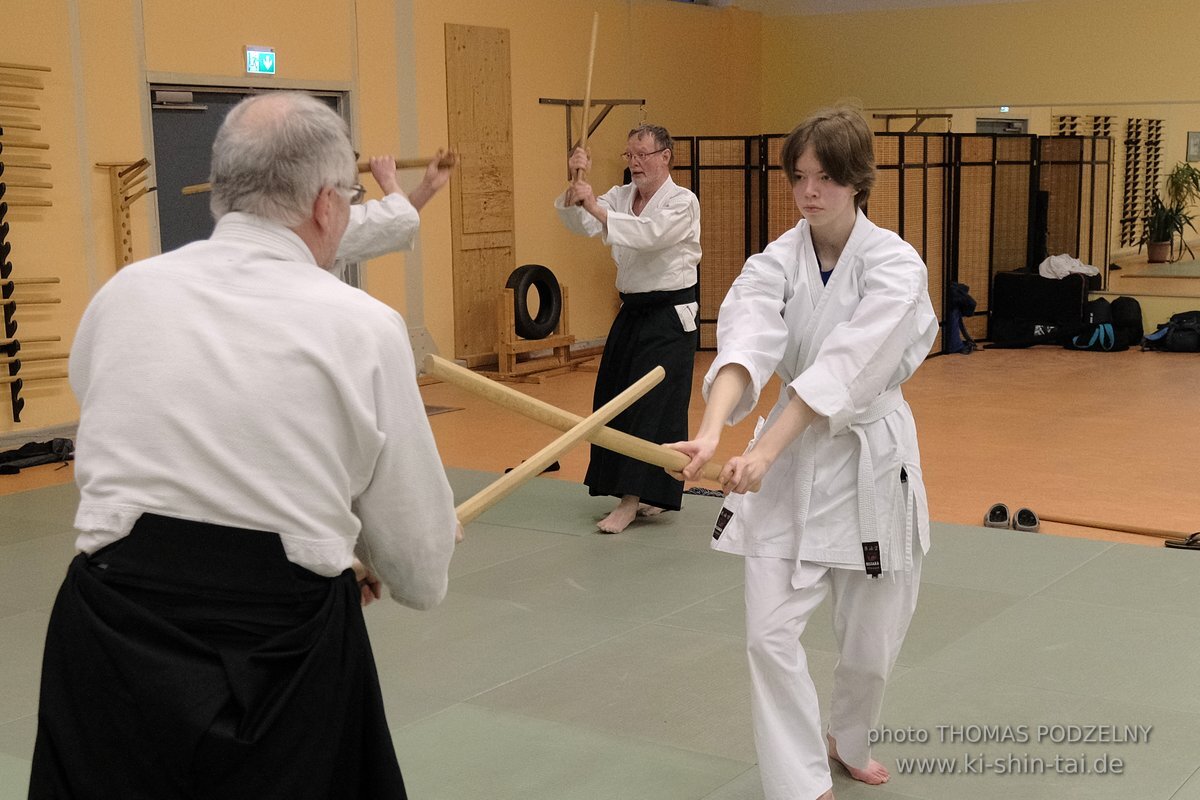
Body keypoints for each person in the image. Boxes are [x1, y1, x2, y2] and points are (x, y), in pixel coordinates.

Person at [28, 92, 460, 799]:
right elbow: (418, 571)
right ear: (326, 204)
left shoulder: (123, 295)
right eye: (352, 199)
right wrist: (386, 551)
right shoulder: (363, 326)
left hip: (108, 634)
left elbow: (142, 441)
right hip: (280, 648)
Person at [669, 107, 937, 800]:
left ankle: (848, 738)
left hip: (868, 462)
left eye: (825, 178)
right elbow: (746, 343)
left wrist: (766, 447)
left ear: (857, 182)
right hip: (786, 466)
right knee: (769, 637)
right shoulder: (774, 262)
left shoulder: (896, 265)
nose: (808, 192)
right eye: (799, 177)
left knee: (871, 646)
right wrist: (713, 428)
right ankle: (799, 783)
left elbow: (849, 366)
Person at [554, 123, 701, 533]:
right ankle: (648, 493)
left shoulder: (683, 202)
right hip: (633, 311)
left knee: (652, 408)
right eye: (629, 155)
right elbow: (579, 224)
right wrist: (576, 184)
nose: (635, 162)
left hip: (670, 316)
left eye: (643, 155)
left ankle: (632, 500)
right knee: (614, 397)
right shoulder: (620, 197)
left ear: (665, 156)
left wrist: (597, 209)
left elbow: (648, 236)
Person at [335, 151, 452, 273]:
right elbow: (400, 217)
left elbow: (393, 224)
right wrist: (388, 179)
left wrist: (428, 187)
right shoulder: (324, 220)